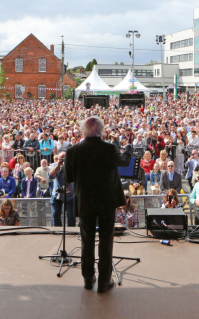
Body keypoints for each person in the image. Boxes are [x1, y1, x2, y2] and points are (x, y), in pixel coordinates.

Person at [64, 116, 131, 293]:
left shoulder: (73, 151)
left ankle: (87, 279)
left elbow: (68, 178)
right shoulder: (109, 148)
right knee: (106, 240)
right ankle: (104, 281)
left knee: (87, 240)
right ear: (101, 130)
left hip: (85, 200)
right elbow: (124, 162)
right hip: (106, 200)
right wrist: (129, 149)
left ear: (83, 130)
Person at [50, 153, 75, 227]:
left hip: (70, 195)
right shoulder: (55, 165)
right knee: (56, 215)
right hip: (57, 195)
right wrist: (58, 165)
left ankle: (71, 232)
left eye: (64, 159)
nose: (62, 160)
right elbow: (51, 176)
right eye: (61, 159)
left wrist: (66, 165)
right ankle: (58, 231)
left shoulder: (72, 165)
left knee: (71, 216)